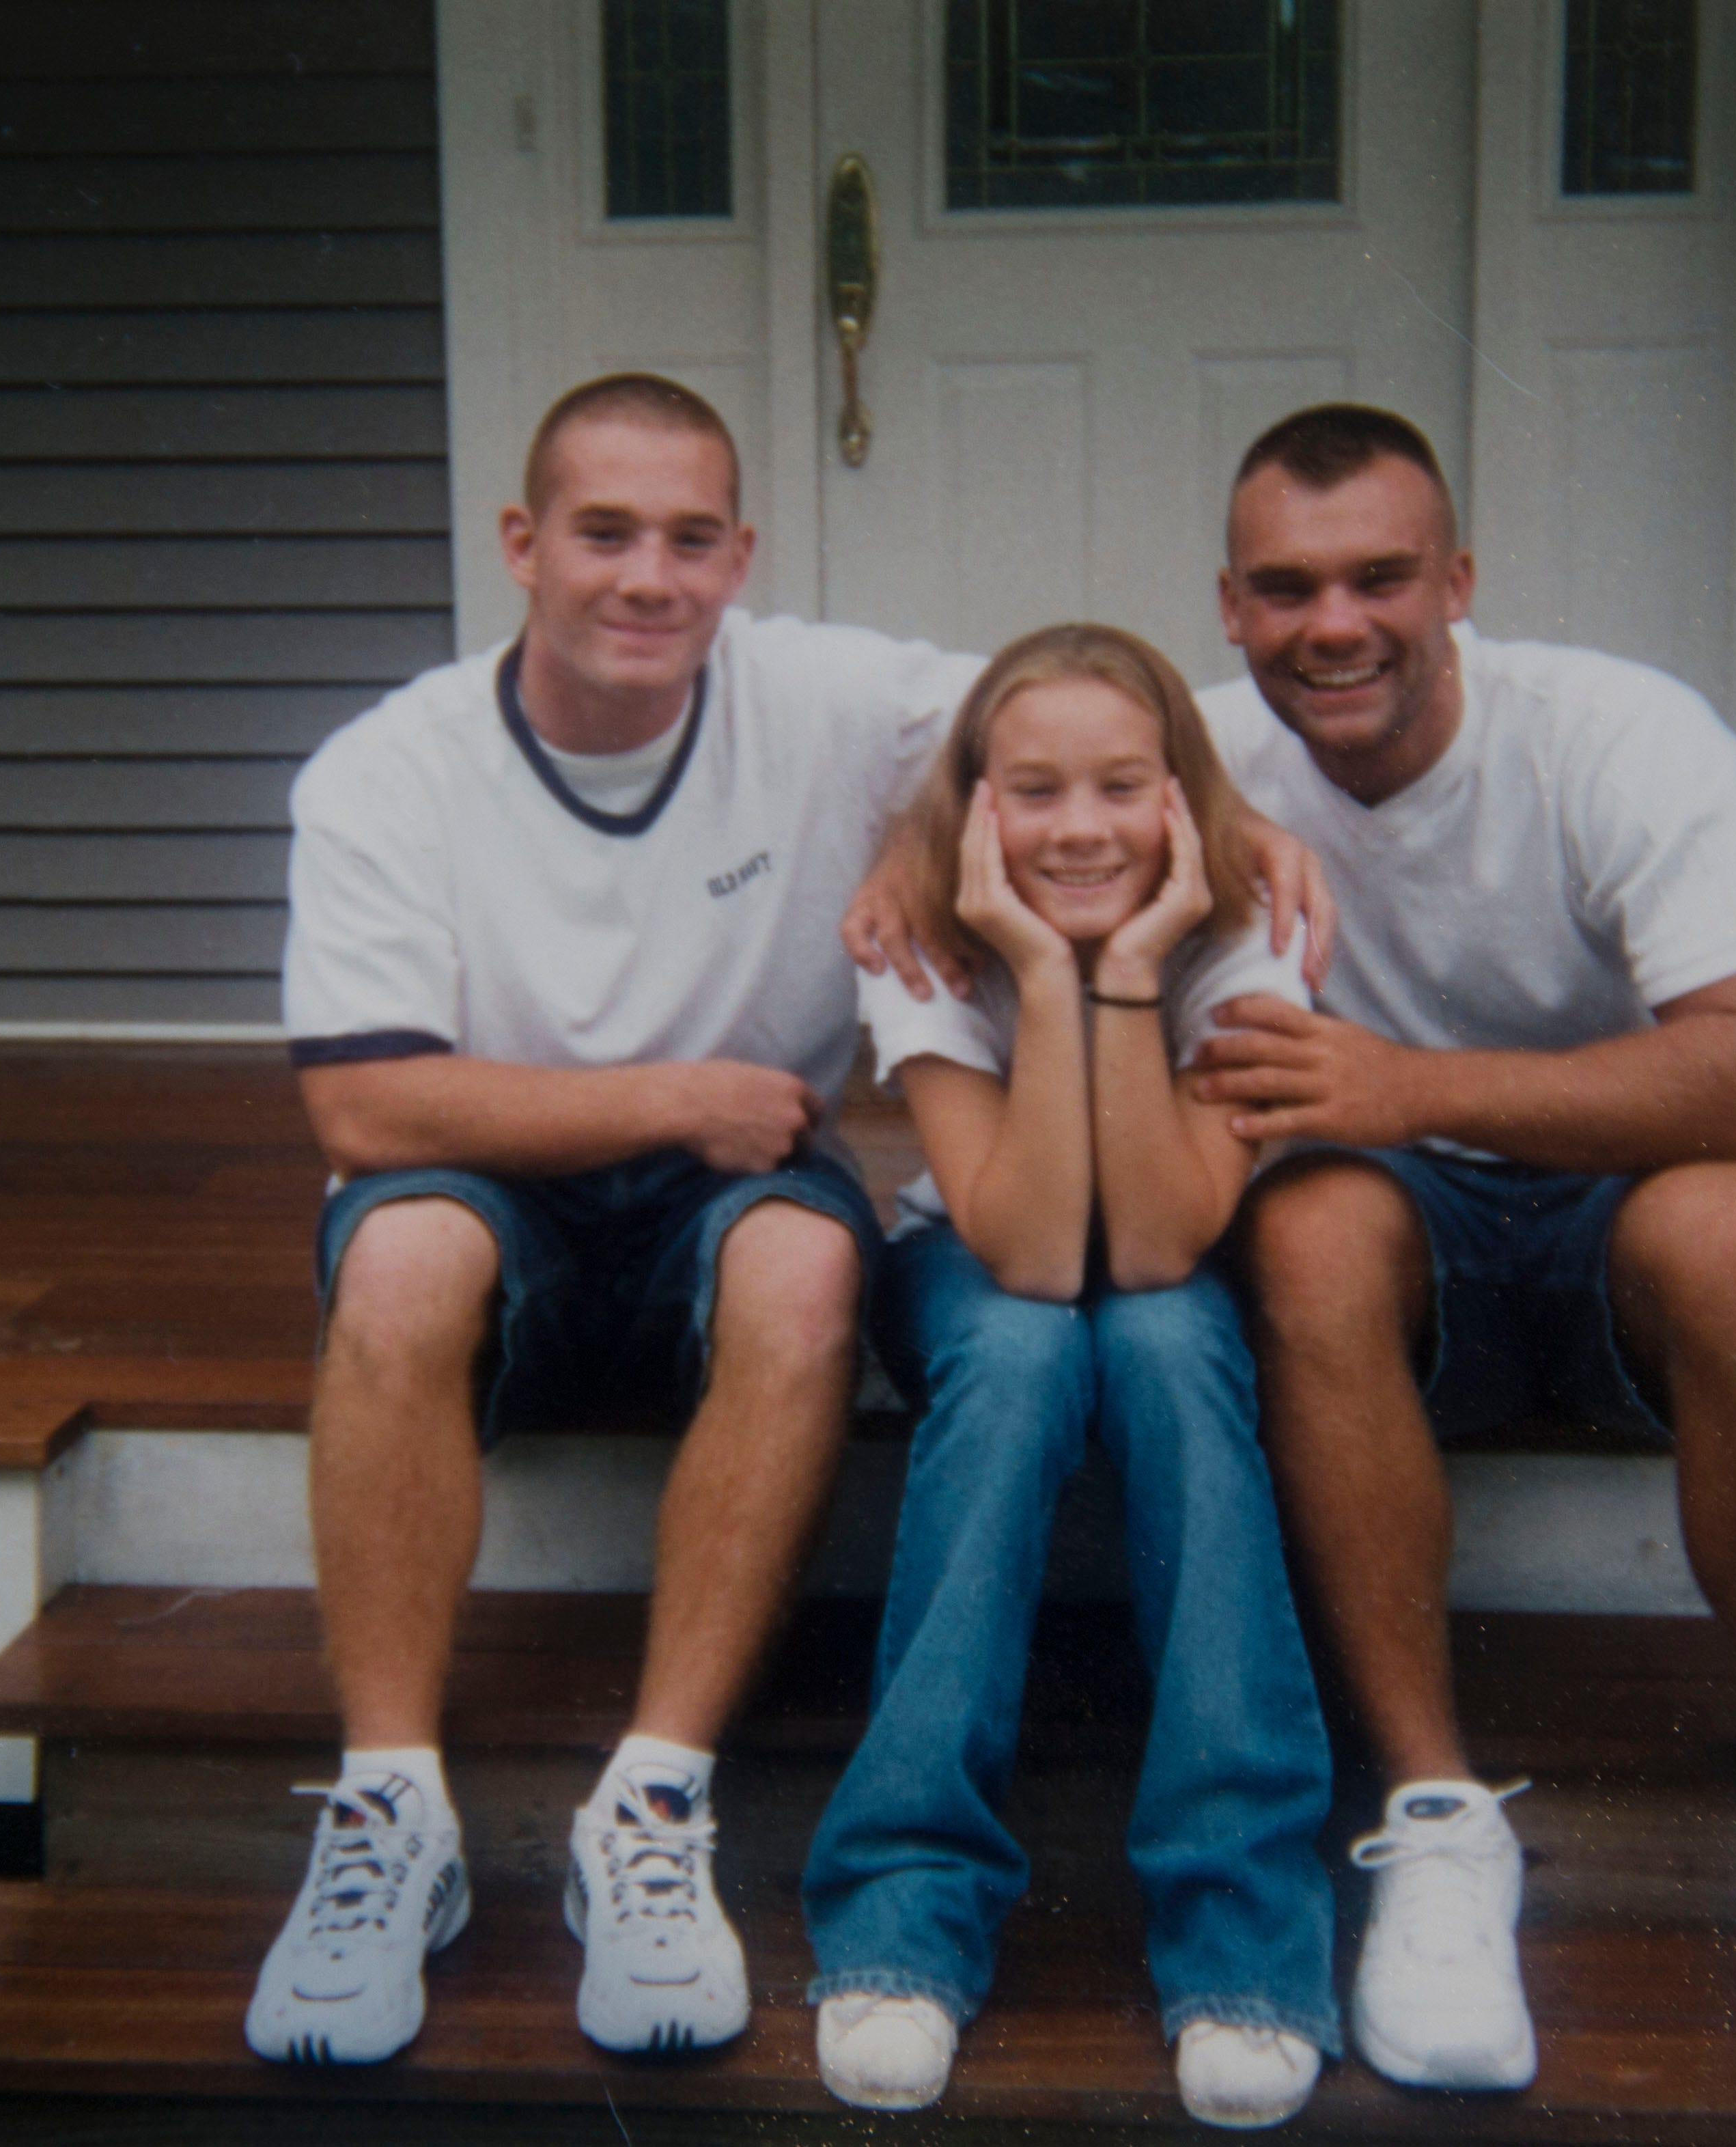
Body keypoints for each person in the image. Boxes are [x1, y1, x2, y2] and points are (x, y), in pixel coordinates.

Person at [253, 375, 1329, 2068]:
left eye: (691, 539)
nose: (647, 578)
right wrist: (681, 1096)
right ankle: (392, 1810)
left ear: (742, 556)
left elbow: (1054, 720)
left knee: (815, 1258)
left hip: (736, 1207)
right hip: (491, 1188)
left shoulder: (821, 693)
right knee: (397, 1251)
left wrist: (1231, 806)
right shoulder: (389, 770)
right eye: (602, 534)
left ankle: (655, 1799)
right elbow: (363, 1109)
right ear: (521, 545)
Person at [1186, 404, 1736, 2116]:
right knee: (1305, 1232)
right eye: (1288, 587)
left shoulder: (1614, 732)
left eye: (1382, 578)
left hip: (1624, 1198)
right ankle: (1435, 1821)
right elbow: (965, 757)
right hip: (1393, 1235)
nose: (1336, 625)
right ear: (1229, 609)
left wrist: (1407, 1088)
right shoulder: (1195, 761)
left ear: (1455, 581)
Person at [803, 626, 1336, 2131]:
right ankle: (902, 1910)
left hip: (1171, 1269)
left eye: (1120, 785)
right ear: (973, 806)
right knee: (1031, 1347)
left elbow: (1157, 1245)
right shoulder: (926, 934)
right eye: (1032, 790)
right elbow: (1034, 1253)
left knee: (1166, 1342)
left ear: (1180, 794)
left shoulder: (1251, 937)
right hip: (980, 1269)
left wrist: (1137, 961)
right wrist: (1041, 968)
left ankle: (1244, 1941)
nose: (1080, 827)